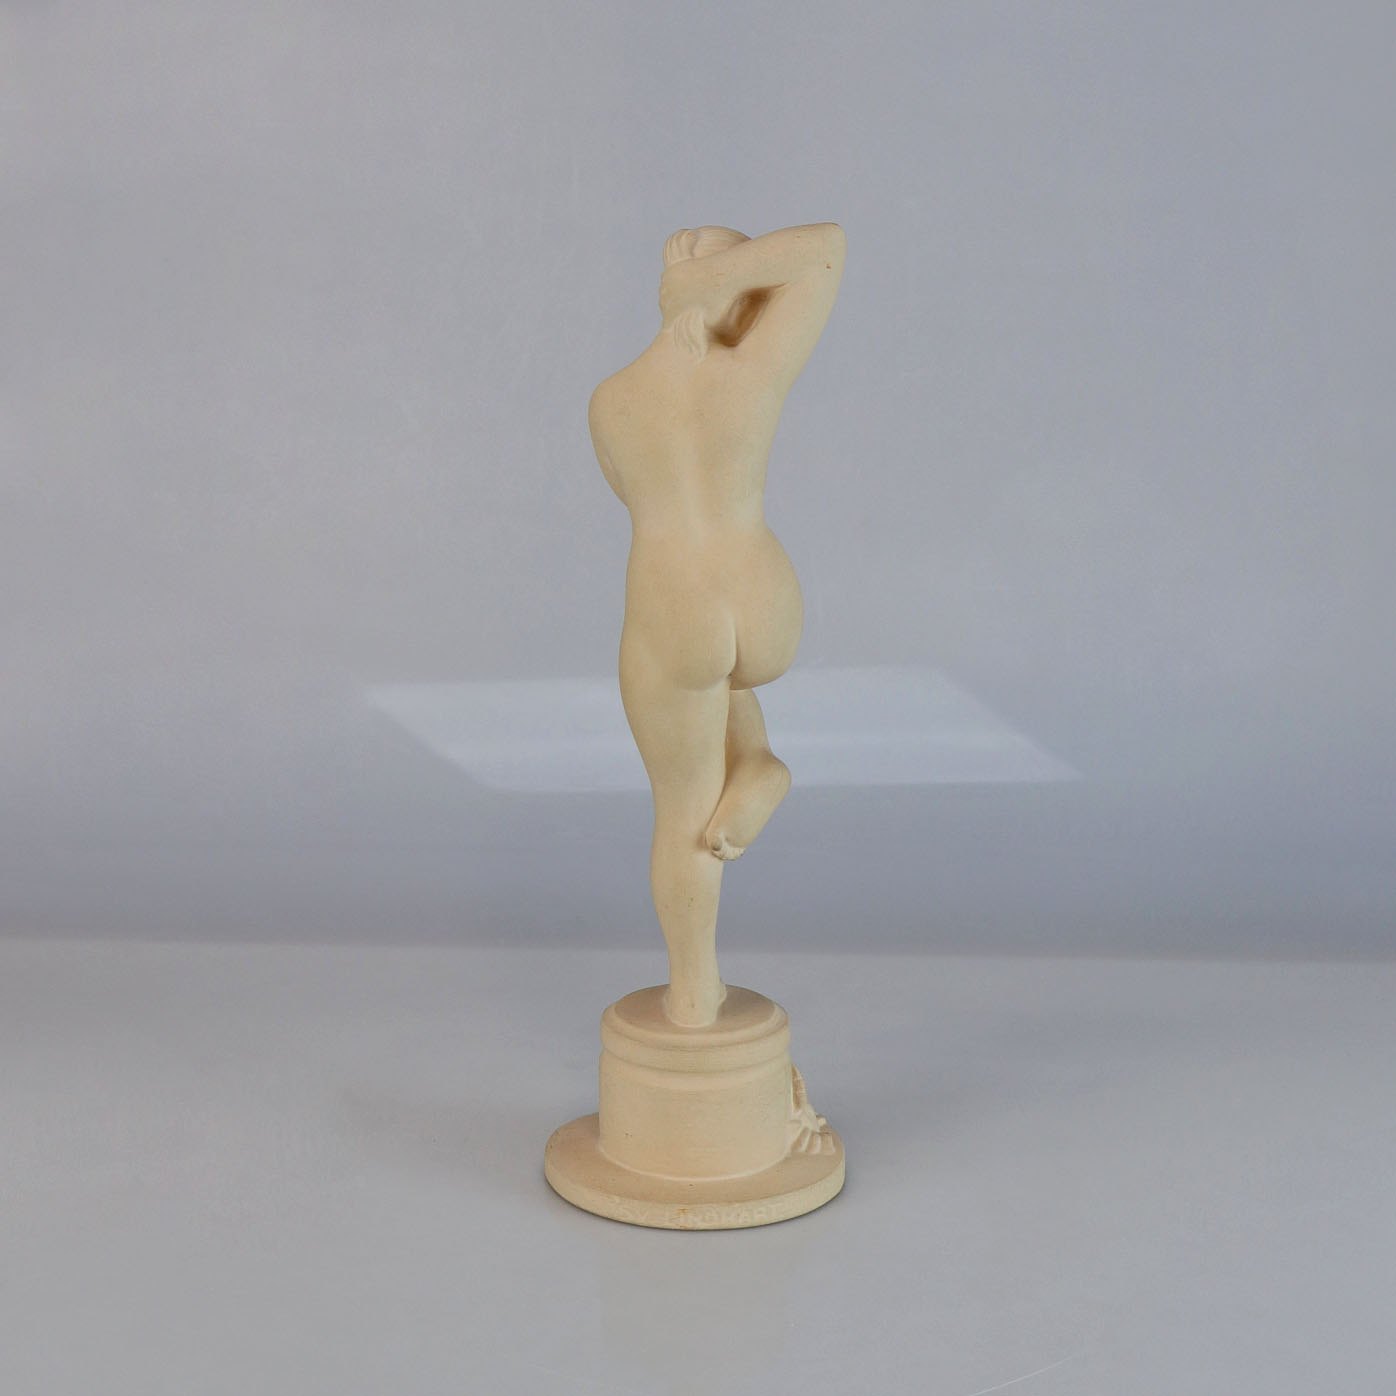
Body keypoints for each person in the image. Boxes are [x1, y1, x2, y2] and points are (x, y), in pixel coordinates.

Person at [587, 222, 846, 1027]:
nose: (758, 310)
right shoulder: (752, 373)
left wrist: (705, 283)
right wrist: (728, 280)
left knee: (684, 814)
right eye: (752, 296)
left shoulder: (611, 401)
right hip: (762, 591)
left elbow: (635, 496)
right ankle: (757, 760)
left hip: (676, 602)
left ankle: (695, 993)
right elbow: (826, 253)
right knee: (730, 685)